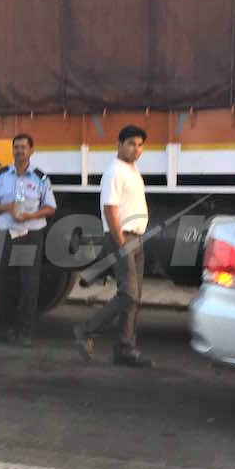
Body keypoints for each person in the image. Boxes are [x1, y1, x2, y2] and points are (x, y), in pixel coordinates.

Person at [74, 125, 151, 367]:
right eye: (131, 144)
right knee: (127, 294)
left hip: (136, 239)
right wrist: (120, 244)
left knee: (134, 298)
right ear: (119, 145)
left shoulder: (133, 170)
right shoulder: (114, 171)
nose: (136, 149)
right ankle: (86, 330)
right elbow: (110, 210)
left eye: (139, 145)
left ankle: (125, 349)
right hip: (122, 239)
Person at [0, 133, 57, 347]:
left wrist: (30, 216)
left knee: (28, 283)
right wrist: (7, 207)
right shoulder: (1, 175)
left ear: (31, 151)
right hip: (8, 233)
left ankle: (25, 332)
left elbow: (51, 207)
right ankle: (9, 328)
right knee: (6, 282)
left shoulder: (40, 178)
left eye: (24, 147)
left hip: (30, 235)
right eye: (16, 147)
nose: (19, 151)